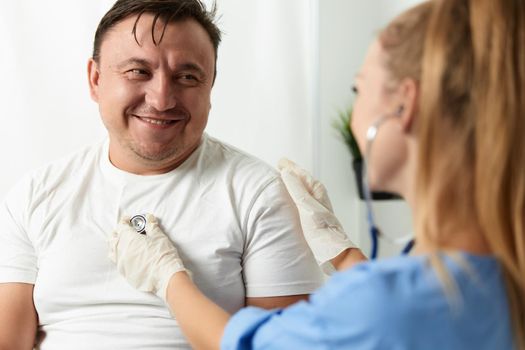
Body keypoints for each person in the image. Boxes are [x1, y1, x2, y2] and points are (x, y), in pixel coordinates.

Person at [109, 0, 525, 348]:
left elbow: (247, 343)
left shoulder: (388, 302)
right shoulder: (498, 276)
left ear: (405, 107)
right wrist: (343, 253)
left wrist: (168, 276)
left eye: (359, 90)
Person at [0, 1, 358, 349]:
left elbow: (276, 346)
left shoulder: (260, 194)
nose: (161, 98)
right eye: (138, 71)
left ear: (210, 86)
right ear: (95, 79)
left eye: (187, 77)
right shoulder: (34, 195)